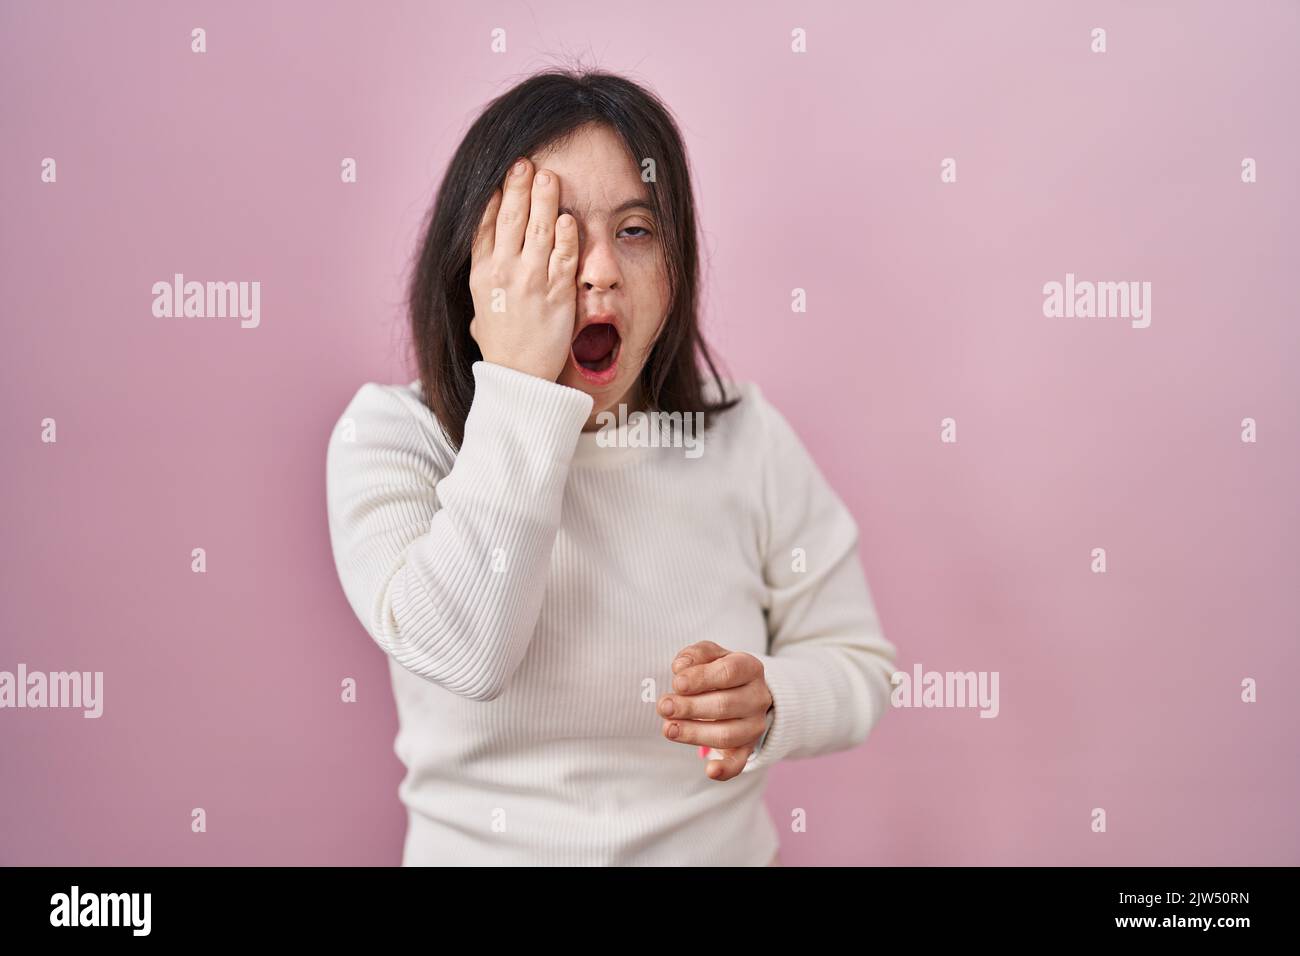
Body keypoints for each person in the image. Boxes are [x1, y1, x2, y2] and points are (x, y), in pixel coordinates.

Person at [325, 68, 897, 866]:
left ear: (676, 268)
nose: (597, 272)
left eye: (635, 230)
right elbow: (466, 656)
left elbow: (860, 664)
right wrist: (521, 386)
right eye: (549, 232)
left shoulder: (744, 439)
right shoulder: (393, 439)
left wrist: (773, 701)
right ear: (475, 267)